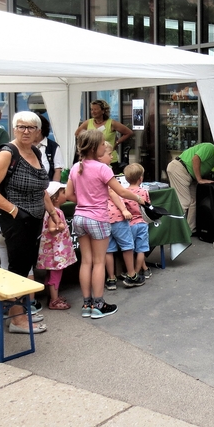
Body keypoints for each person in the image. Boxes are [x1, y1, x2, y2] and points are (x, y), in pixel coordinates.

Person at [0, 111, 62, 334]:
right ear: (14, 129)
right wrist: (15, 211)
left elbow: (41, 189)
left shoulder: (35, 151)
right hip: (15, 222)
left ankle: (18, 313)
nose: (25, 131)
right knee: (16, 270)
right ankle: (16, 320)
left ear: (38, 132)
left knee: (25, 267)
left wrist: (53, 214)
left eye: (30, 128)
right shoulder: (8, 153)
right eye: (21, 127)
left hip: (34, 221)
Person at [65, 130, 148, 318]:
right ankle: (99, 305)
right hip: (98, 218)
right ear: (95, 147)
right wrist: (140, 200)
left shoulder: (76, 167)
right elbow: (122, 192)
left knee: (86, 262)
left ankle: (87, 304)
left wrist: (85, 200)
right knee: (99, 262)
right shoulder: (103, 168)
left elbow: (69, 195)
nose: (106, 145)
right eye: (103, 143)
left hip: (79, 217)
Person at [165, 142, 214, 234]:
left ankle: (190, 230)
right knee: (184, 202)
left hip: (190, 176)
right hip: (180, 169)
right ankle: (174, 232)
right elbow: (195, 159)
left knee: (193, 202)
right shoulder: (210, 148)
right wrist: (199, 179)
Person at [108, 163, 151, 288]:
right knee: (140, 248)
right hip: (142, 223)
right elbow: (147, 205)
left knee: (115, 249)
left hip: (129, 223)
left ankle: (114, 276)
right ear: (141, 179)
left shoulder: (124, 192)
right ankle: (135, 272)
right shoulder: (144, 191)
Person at [37, 182, 77, 310]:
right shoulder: (55, 213)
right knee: (56, 273)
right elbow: (52, 229)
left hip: (53, 249)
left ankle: (52, 296)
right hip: (56, 250)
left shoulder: (54, 211)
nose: (66, 195)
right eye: (63, 192)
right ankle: (54, 300)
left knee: (51, 273)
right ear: (55, 198)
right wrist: (59, 227)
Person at [74, 99, 133, 163]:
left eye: (96, 109)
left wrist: (116, 143)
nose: (93, 112)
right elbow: (77, 133)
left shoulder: (111, 123)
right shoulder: (88, 123)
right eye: (92, 109)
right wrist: (86, 143)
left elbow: (129, 132)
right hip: (93, 160)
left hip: (109, 159)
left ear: (103, 111)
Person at [37, 115, 63, 183]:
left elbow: (58, 170)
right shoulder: (24, 146)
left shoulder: (53, 147)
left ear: (41, 130)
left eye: (33, 128)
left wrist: (53, 190)